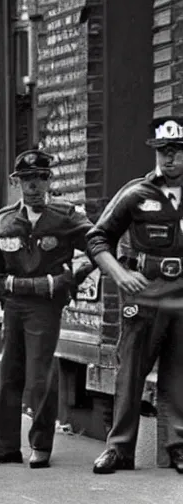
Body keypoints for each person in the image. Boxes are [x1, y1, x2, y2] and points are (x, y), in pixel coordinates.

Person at [0, 149, 94, 468]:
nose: (33, 186)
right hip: (13, 305)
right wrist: (9, 287)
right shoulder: (3, 221)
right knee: (9, 372)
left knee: (40, 374)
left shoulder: (66, 216)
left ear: (49, 180)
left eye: (40, 178)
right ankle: (6, 445)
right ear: (17, 182)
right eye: (26, 179)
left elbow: (98, 244)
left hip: (45, 307)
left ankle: (41, 445)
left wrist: (71, 278)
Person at [89, 116, 183, 475]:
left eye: (176, 152)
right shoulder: (135, 193)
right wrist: (119, 274)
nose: (169, 159)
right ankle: (119, 448)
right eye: (163, 152)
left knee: (179, 373)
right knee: (129, 372)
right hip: (144, 295)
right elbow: (97, 238)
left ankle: (178, 446)